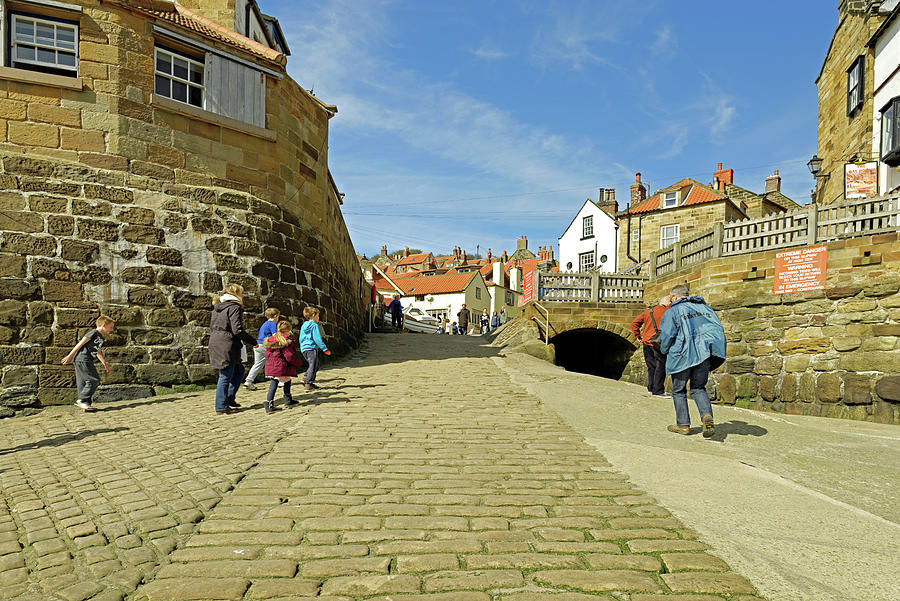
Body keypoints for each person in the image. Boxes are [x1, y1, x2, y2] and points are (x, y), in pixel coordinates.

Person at [658, 284, 726, 439]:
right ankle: (706, 416)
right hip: (704, 354)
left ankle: (683, 425)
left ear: (674, 297)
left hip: (682, 355)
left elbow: (667, 335)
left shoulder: (673, 311)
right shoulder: (705, 309)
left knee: (678, 391)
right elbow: (717, 330)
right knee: (698, 388)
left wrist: (664, 350)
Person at [209, 284, 257, 415]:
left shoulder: (216, 308)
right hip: (226, 343)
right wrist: (253, 342)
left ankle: (229, 398)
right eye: (241, 293)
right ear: (236, 294)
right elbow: (237, 329)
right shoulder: (234, 307)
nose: (243, 295)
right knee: (225, 374)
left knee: (238, 370)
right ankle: (221, 406)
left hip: (217, 341)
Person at [61, 315, 115, 412]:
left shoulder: (100, 337)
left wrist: (105, 363)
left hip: (85, 359)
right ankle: (82, 400)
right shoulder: (93, 332)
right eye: (110, 327)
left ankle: (86, 405)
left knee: (82, 383)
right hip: (83, 359)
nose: (111, 330)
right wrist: (70, 356)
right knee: (94, 380)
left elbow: (97, 351)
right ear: (103, 325)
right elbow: (80, 343)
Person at [631, 296, 671, 397]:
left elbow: (635, 323)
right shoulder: (668, 312)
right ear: (668, 302)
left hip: (646, 342)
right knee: (660, 366)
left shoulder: (649, 311)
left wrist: (637, 335)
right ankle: (658, 391)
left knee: (651, 366)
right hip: (659, 342)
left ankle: (651, 388)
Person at [263, 320, 304, 413]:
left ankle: (288, 400)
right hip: (280, 365)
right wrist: (298, 363)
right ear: (288, 330)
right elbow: (289, 356)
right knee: (274, 383)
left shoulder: (272, 340)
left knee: (287, 380)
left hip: (272, 364)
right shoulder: (285, 341)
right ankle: (269, 404)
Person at [243, 307, 280, 390]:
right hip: (265, 345)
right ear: (275, 316)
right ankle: (278, 379)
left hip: (257, 345)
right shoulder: (273, 324)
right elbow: (275, 335)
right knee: (276, 359)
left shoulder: (265, 323)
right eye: (278, 317)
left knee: (258, 364)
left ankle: (248, 381)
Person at [299, 306, 331, 391]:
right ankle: (308, 383)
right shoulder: (314, 325)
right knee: (313, 365)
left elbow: (301, 337)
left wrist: (302, 346)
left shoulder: (304, 325)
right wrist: (324, 349)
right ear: (313, 315)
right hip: (311, 348)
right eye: (318, 316)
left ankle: (306, 378)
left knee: (315, 365)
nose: (318, 318)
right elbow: (317, 338)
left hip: (304, 349)